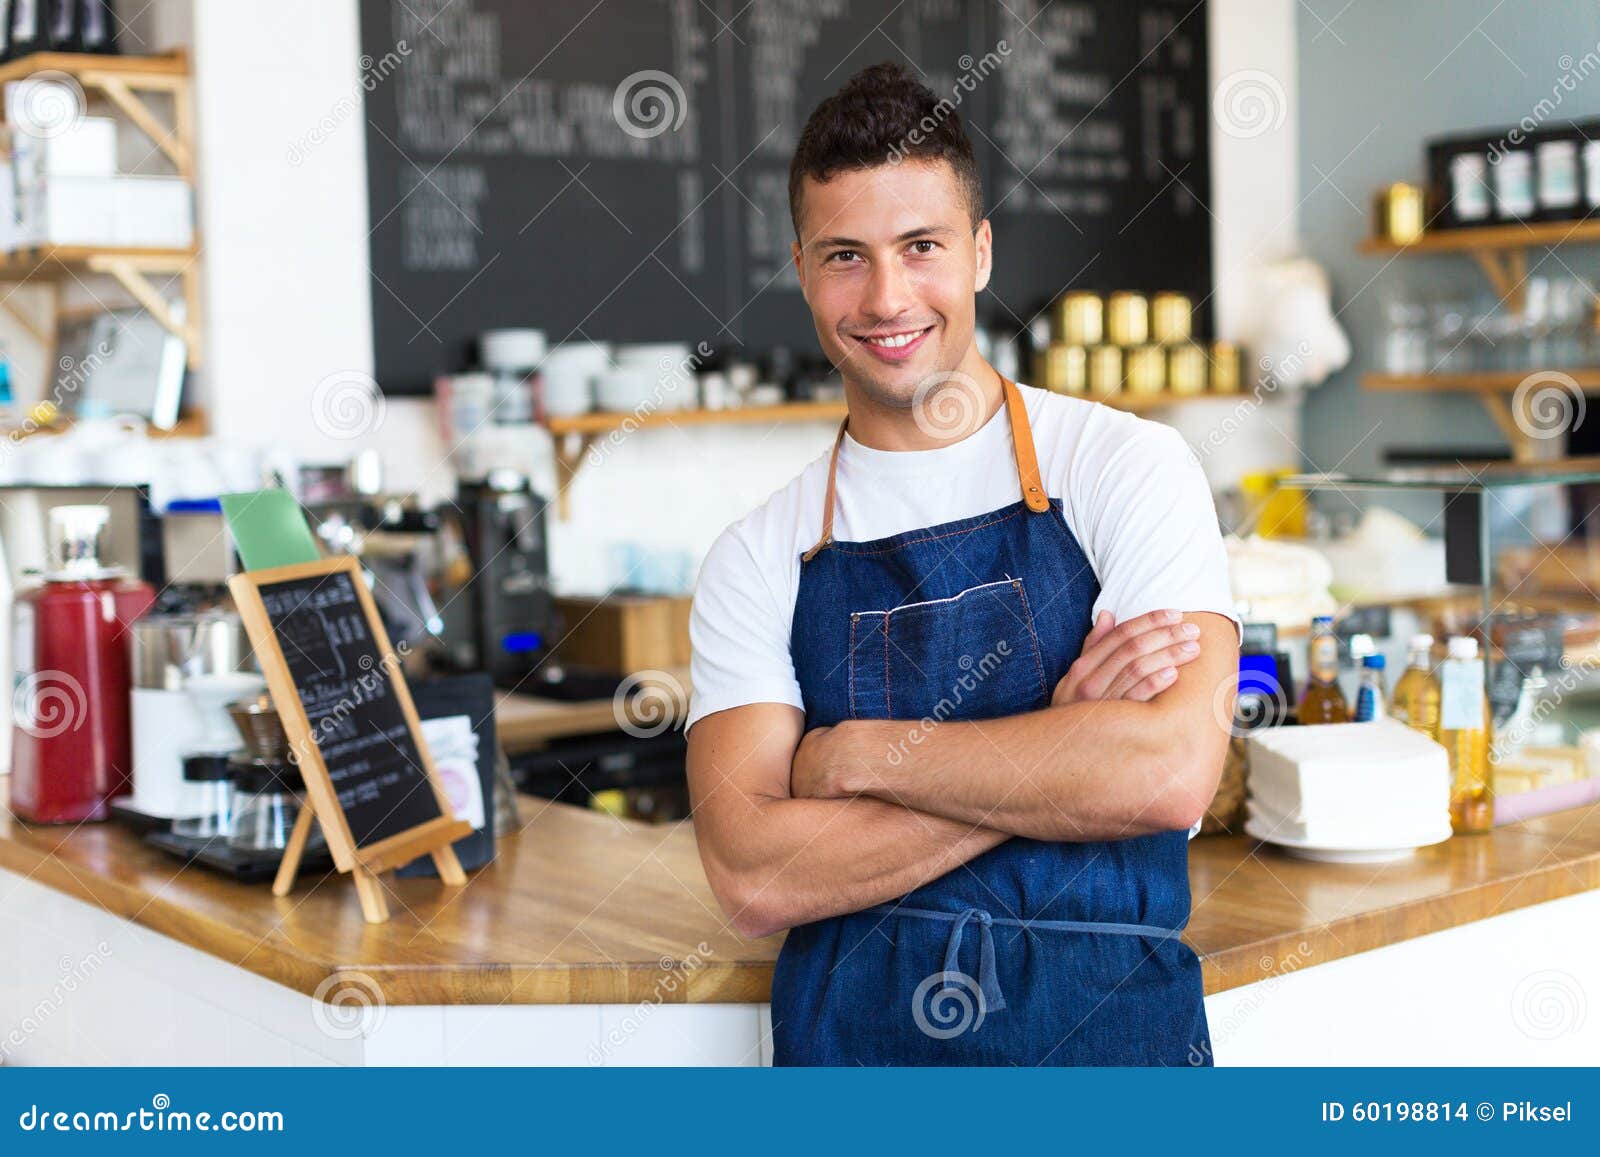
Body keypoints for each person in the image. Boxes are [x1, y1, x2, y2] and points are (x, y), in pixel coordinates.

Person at [684, 62, 1239, 1066]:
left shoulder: (1123, 465)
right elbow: (755, 879)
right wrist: (1065, 750)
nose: (887, 296)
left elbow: (1166, 774)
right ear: (802, 269)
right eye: (845, 255)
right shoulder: (756, 554)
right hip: (854, 1054)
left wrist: (852, 758)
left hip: (1107, 1046)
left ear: (979, 252)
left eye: (921, 246)